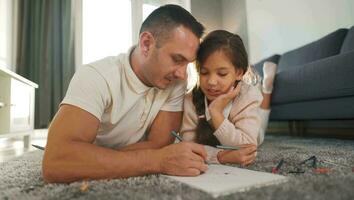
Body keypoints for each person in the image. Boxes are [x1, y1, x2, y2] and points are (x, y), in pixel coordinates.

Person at [42, 4, 209, 183]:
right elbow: (56, 162)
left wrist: (93, 158)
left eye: (188, 64)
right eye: (177, 59)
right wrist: (156, 160)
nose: (182, 74)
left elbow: (160, 144)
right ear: (146, 44)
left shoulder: (175, 81)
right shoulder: (96, 76)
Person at [180, 30, 277, 165]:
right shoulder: (190, 100)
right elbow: (188, 146)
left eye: (222, 74)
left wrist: (216, 113)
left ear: (238, 73)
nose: (212, 82)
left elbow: (247, 147)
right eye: (204, 72)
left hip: (253, 129)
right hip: (230, 138)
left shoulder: (247, 95)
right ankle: (265, 86)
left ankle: (267, 87)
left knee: (261, 127)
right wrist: (220, 157)